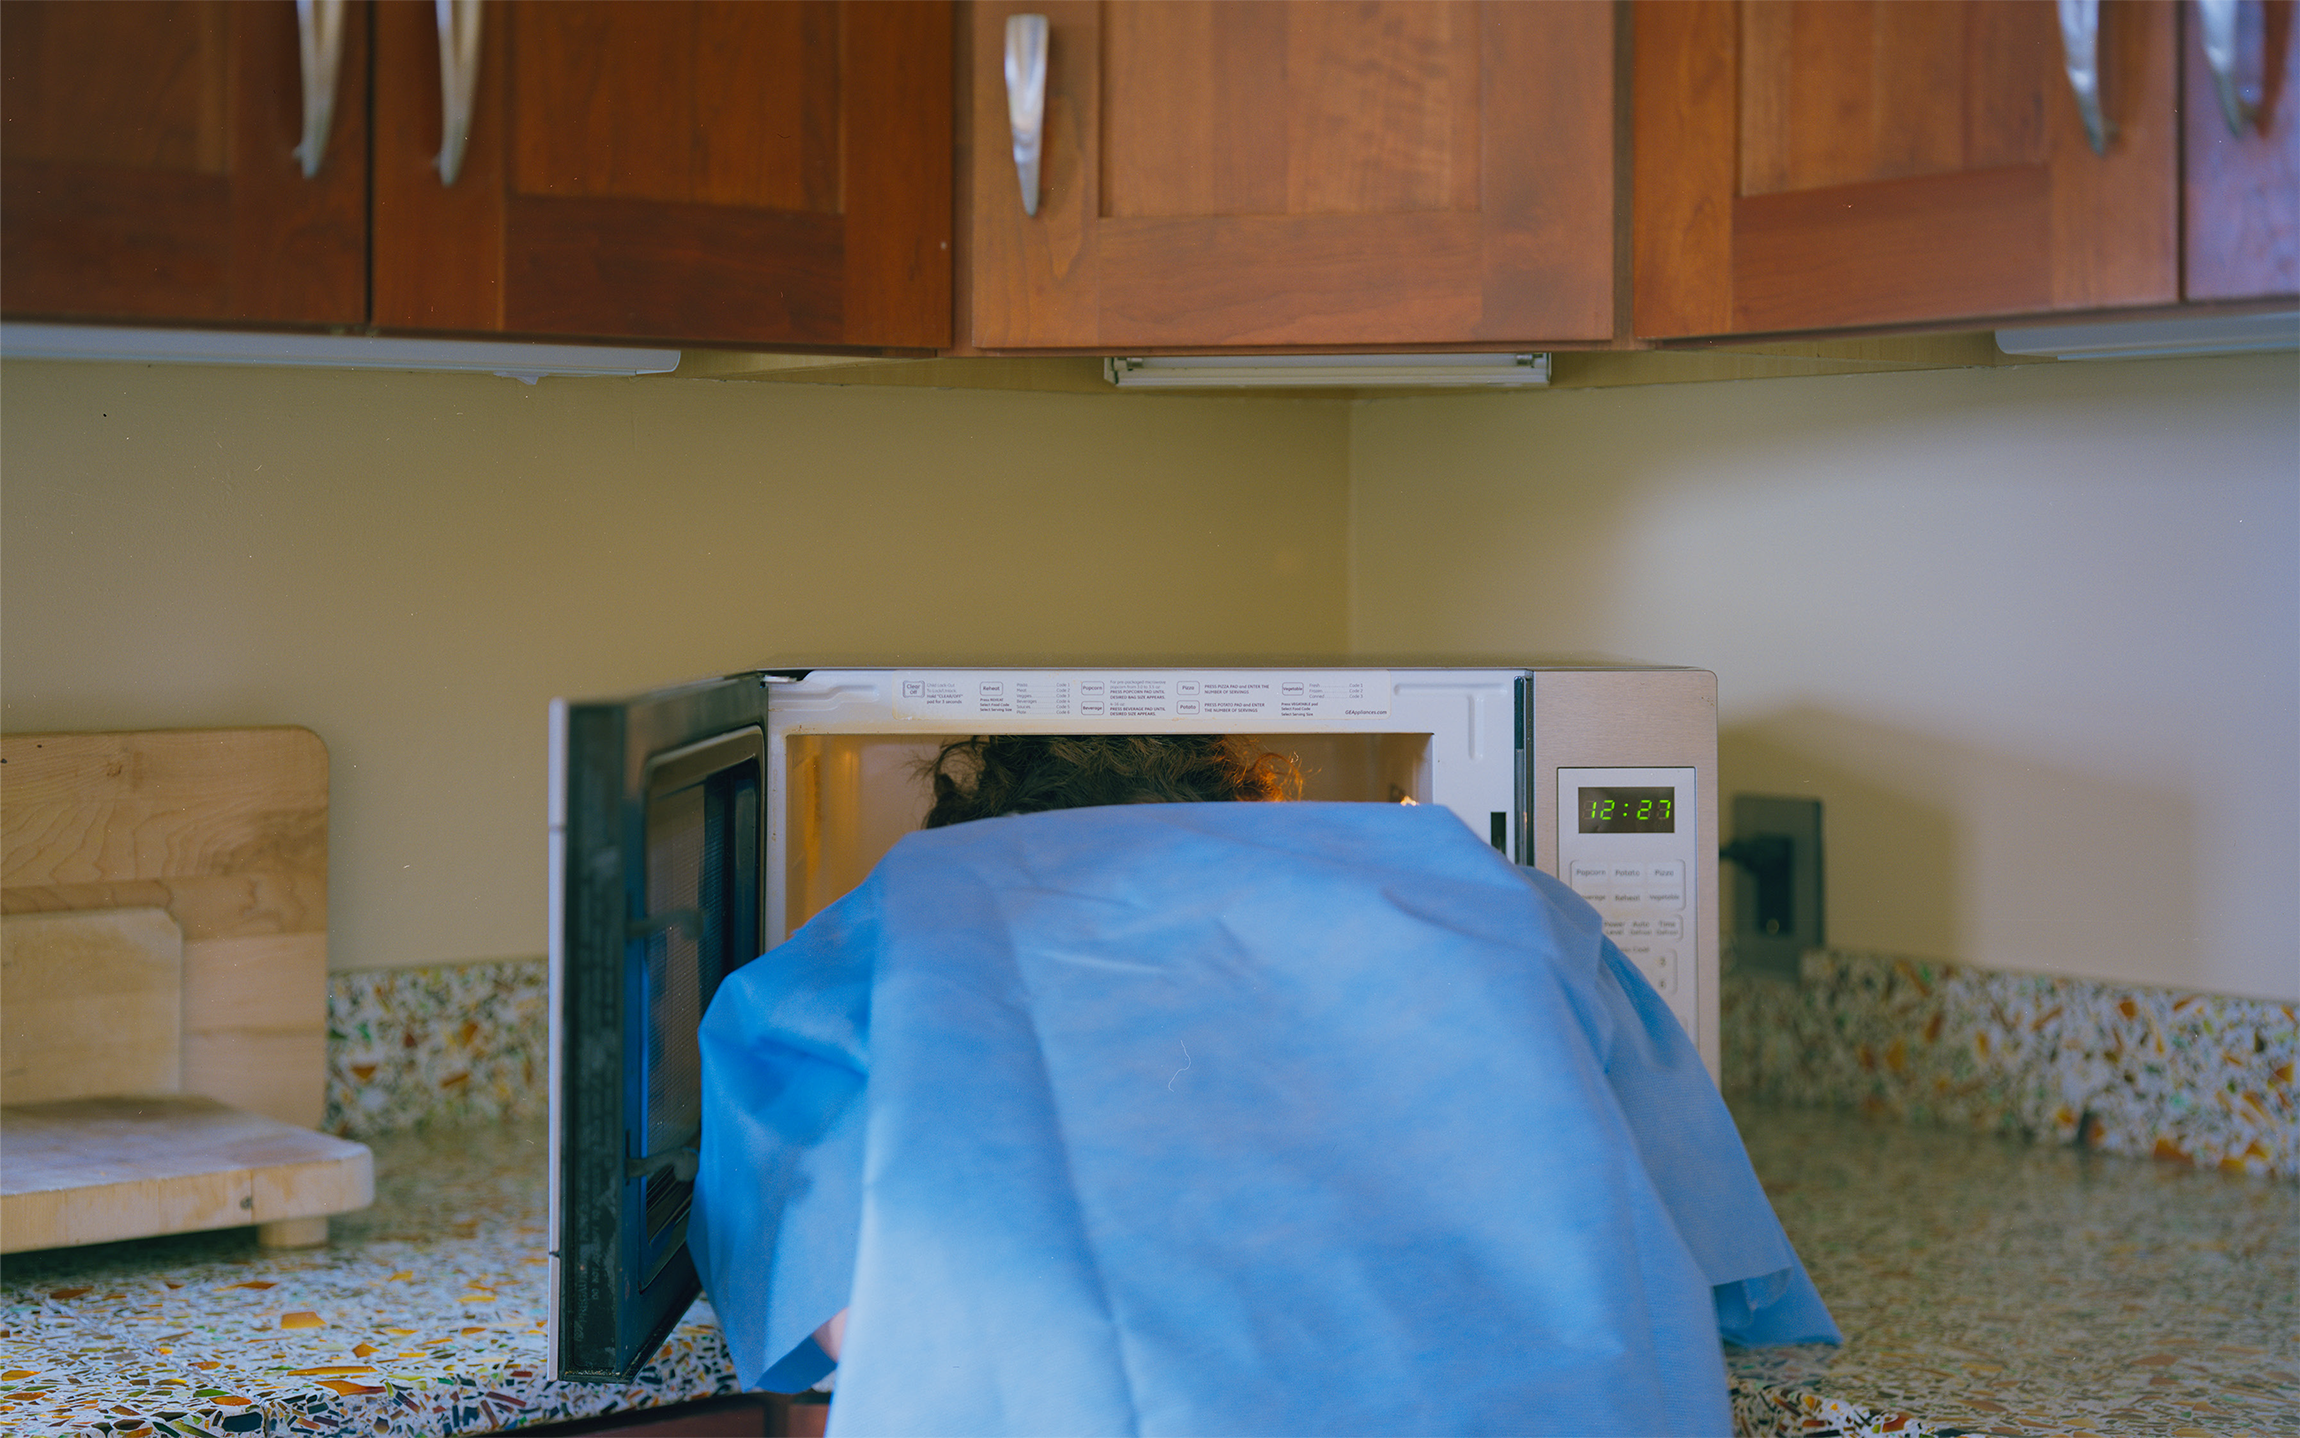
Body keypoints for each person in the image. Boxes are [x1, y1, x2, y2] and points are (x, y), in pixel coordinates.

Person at [689, 735, 1837, 1437]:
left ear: (982, 842)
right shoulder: (1502, 910)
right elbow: (1709, 1258)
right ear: (1253, 820)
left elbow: (857, 1319)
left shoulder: (893, 948)